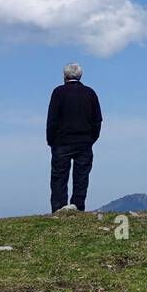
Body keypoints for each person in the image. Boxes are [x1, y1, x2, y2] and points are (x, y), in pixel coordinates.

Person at [46, 62, 102, 213]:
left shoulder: (58, 92)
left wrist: (51, 141)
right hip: (84, 142)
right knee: (81, 177)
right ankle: (78, 207)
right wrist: (91, 139)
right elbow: (97, 120)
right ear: (80, 76)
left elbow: (52, 119)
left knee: (59, 177)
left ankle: (58, 208)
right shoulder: (90, 93)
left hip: (61, 142)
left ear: (64, 76)